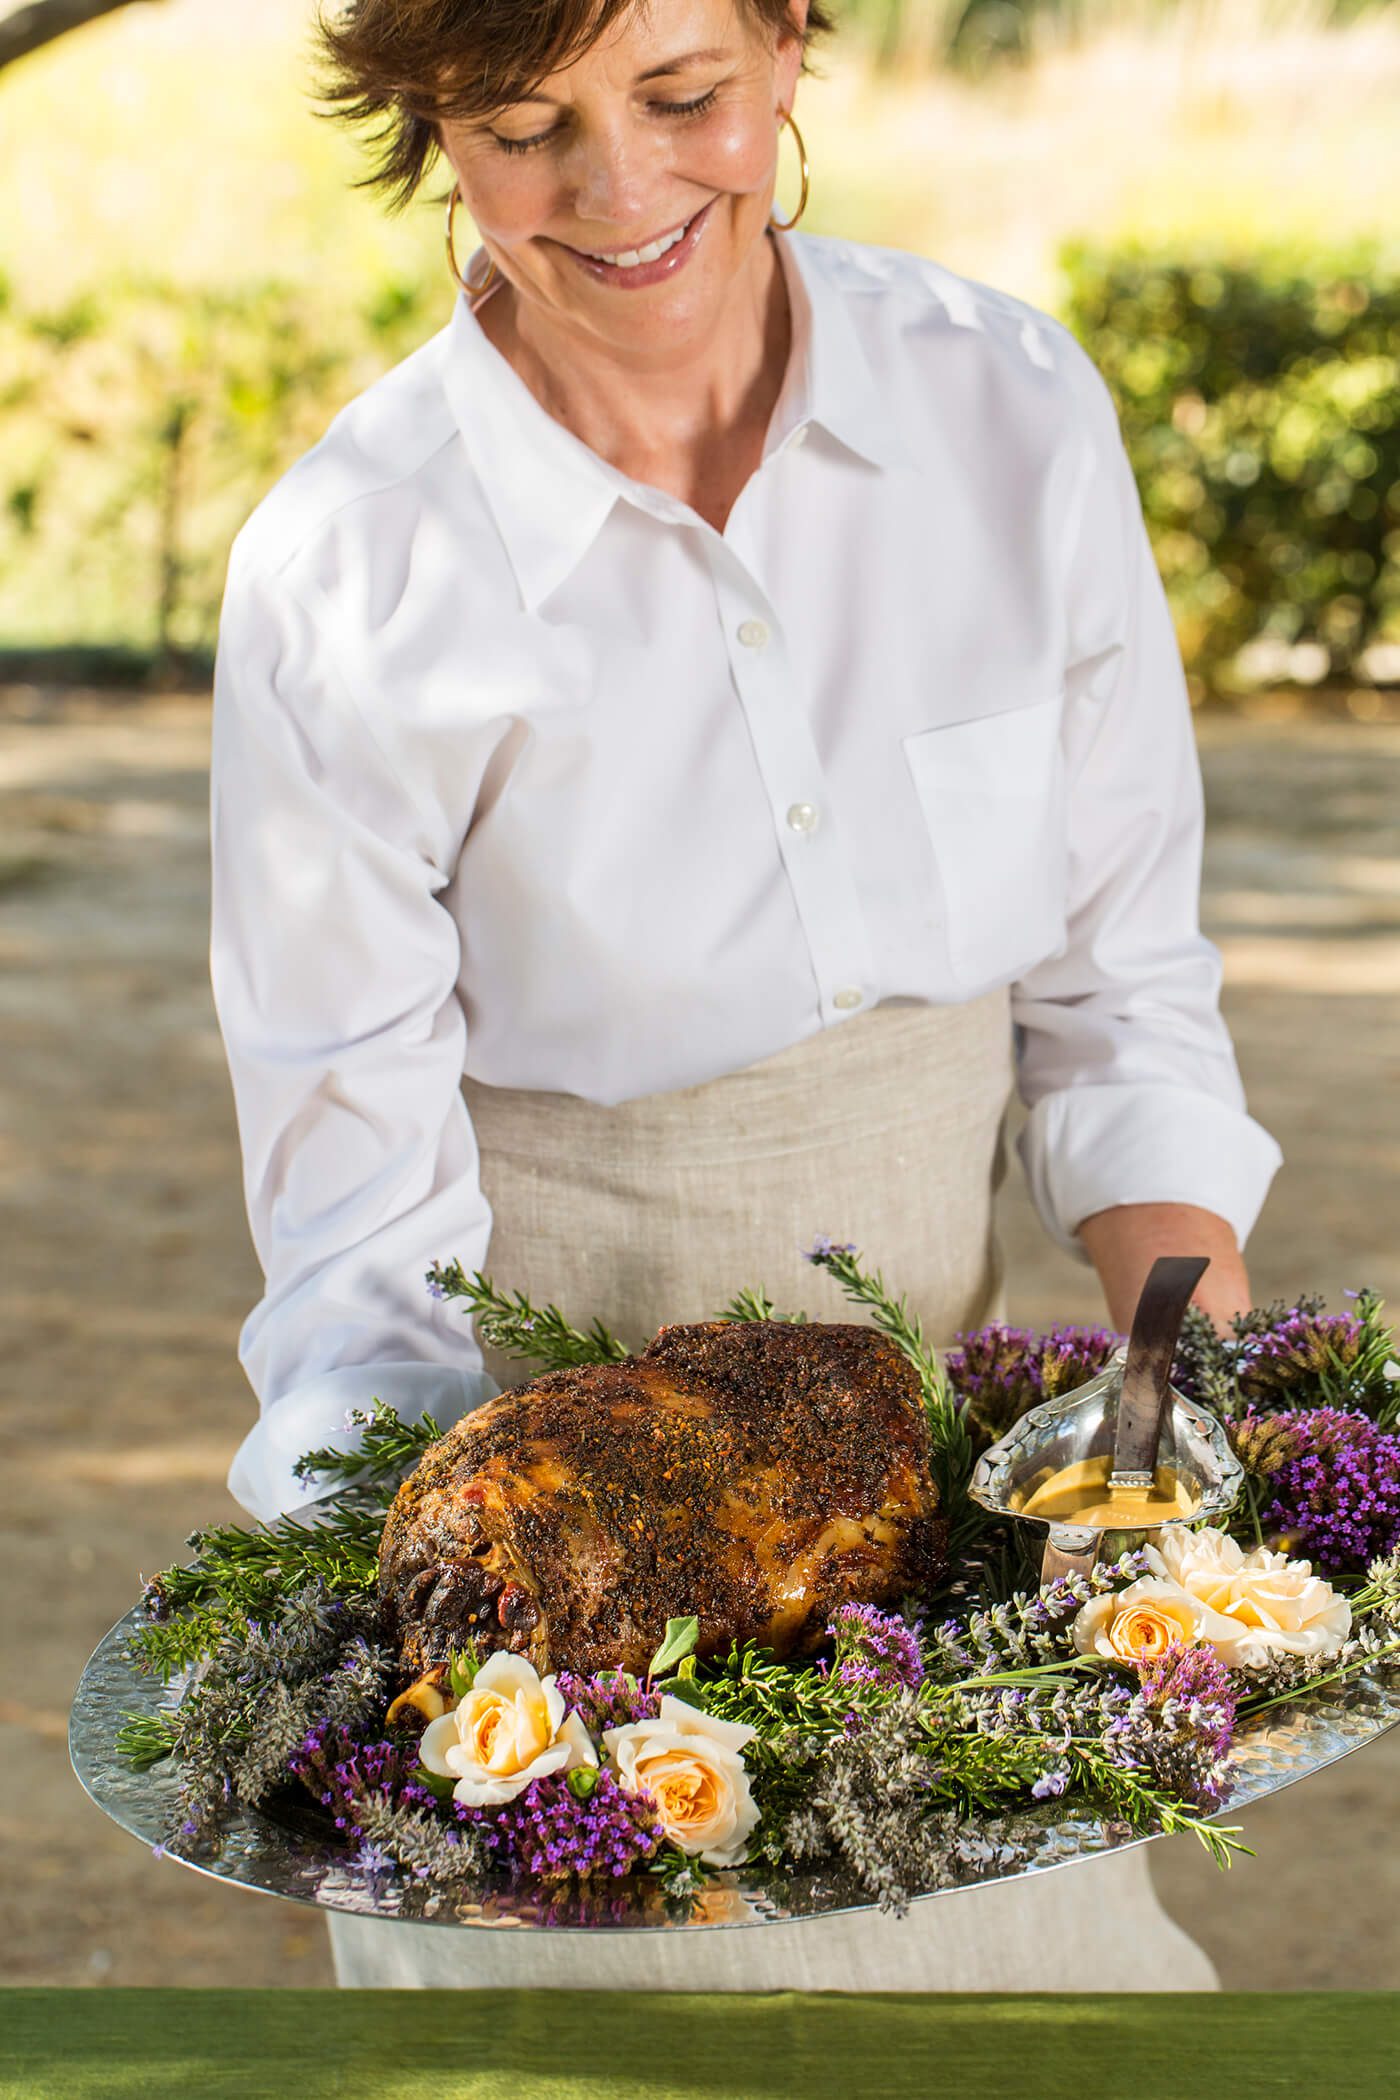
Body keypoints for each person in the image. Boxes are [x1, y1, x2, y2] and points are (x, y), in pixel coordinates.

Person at [209, 0, 1282, 1991]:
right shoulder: (349, 577)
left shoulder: (1005, 413)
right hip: (553, 1530)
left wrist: (1181, 1383)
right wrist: (491, 1662)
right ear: (432, 130)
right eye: (527, 128)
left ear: (791, 44)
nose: (622, 193)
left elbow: (1115, 980)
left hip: (947, 1528)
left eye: (683, 96)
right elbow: (359, 1240)